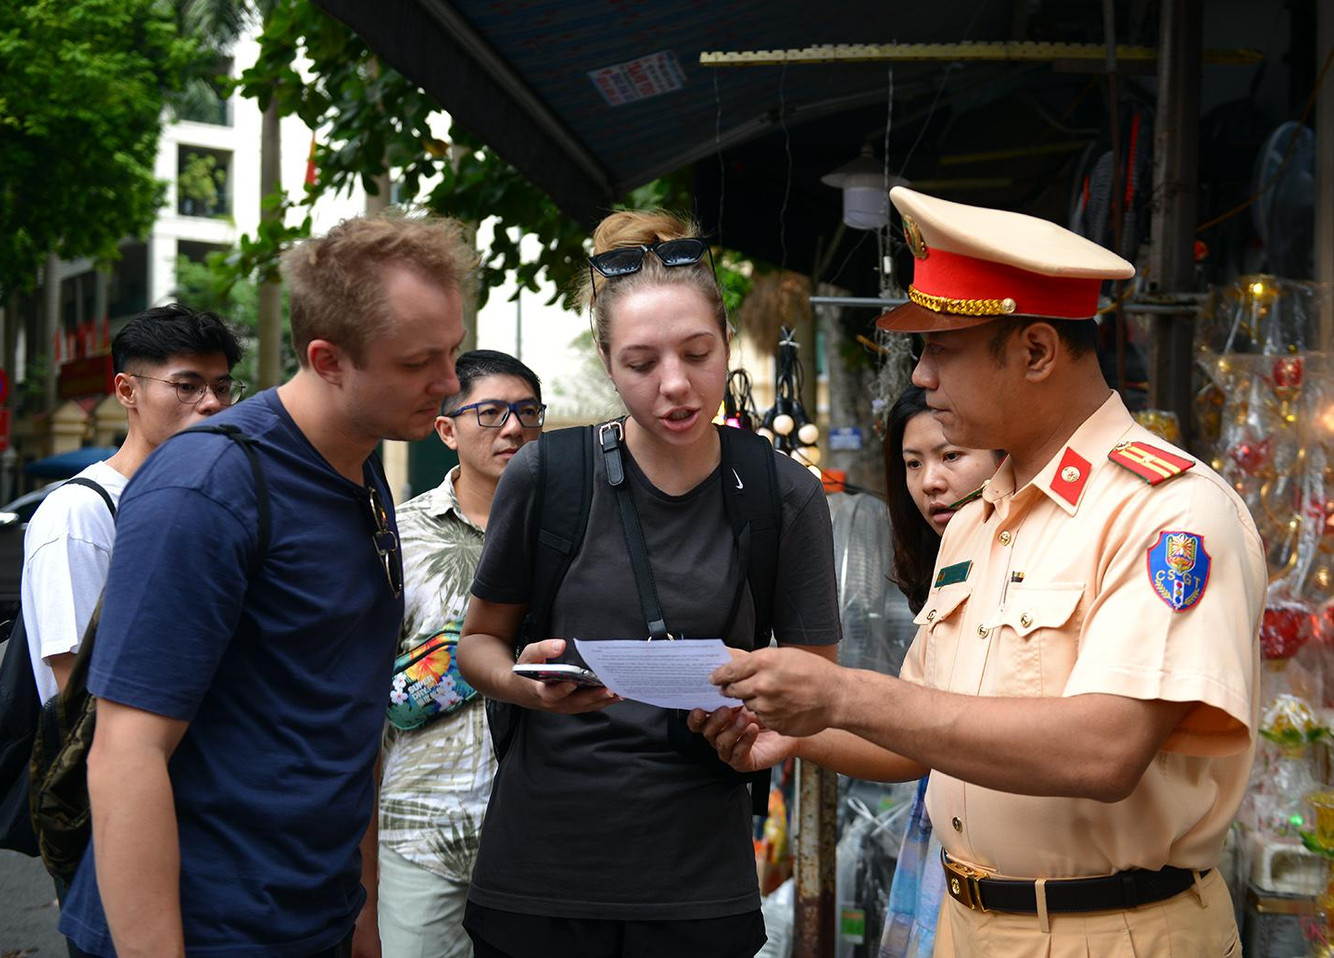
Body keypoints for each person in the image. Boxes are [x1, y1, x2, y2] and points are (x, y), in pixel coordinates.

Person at [701, 187, 1265, 955]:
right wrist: (795, 729)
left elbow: (1106, 750)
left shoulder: (1169, 512)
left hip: (1114, 932)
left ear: (1035, 351)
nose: (921, 377)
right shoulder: (979, 518)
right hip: (967, 924)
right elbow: (921, 735)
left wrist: (842, 692)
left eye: (942, 348)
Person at [57, 212, 475, 958]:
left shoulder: (362, 468)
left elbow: (343, 716)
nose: (448, 383)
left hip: (318, 916)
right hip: (205, 931)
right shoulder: (207, 485)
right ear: (328, 359)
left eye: (453, 352)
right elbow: (125, 755)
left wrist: (361, 916)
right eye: (419, 362)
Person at [456, 210, 841, 958]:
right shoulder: (547, 475)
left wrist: (769, 726)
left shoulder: (783, 493)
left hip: (700, 882)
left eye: (698, 353)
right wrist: (524, 684)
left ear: (727, 340)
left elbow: (817, 683)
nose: (675, 385)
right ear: (607, 361)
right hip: (541, 877)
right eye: (640, 363)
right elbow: (478, 645)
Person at [377, 349, 545, 957]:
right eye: (492, 412)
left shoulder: (575, 535)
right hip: (423, 831)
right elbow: (359, 692)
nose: (514, 428)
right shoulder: (398, 538)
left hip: (547, 835)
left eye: (528, 412)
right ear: (446, 430)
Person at [22, 304, 243, 705]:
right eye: (187, 386)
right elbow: (80, 691)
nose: (212, 403)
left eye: (222, 388)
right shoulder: (80, 515)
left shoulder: (211, 504)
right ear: (127, 391)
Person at [878, 385, 999, 958]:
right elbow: (911, 741)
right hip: (953, 858)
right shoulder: (944, 564)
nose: (930, 481)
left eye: (951, 455)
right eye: (912, 463)